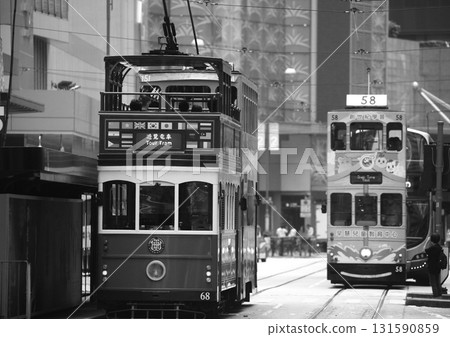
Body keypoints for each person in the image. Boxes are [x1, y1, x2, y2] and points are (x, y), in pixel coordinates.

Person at [425, 232, 443, 297]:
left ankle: (435, 295)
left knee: (433, 282)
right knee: (438, 281)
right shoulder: (440, 248)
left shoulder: (431, 249)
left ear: (432, 240)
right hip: (438, 267)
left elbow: (424, 249)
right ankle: (439, 294)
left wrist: (427, 241)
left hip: (431, 267)